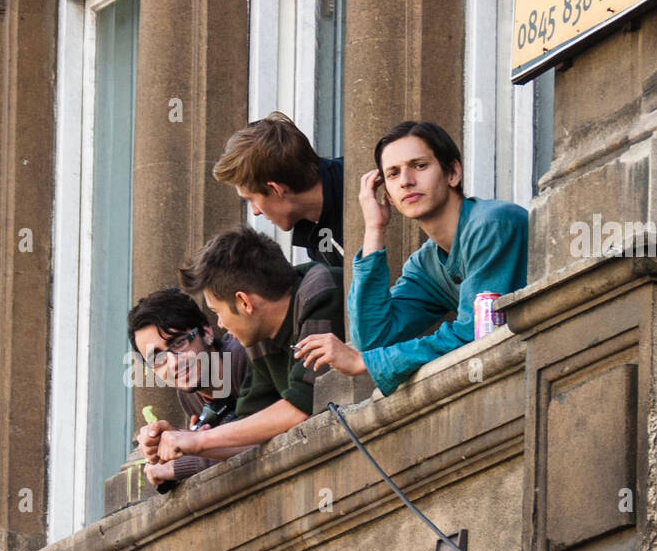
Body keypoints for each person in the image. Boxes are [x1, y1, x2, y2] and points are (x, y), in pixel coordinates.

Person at [294, 120, 528, 396]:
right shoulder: (426, 264)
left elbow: (476, 333)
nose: (406, 181)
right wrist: (373, 229)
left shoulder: (492, 224)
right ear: (389, 197)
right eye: (392, 174)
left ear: (453, 173)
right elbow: (374, 338)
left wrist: (363, 362)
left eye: (419, 166)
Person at [149, 226, 344, 465]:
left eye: (216, 311)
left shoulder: (320, 293)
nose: (220, 323)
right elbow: (251, 432)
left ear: (244, 302)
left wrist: (200, 441)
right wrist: (184, 444)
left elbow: (305, 404)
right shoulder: (259, 336)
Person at [128, 288, 274, 488]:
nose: (173, 363)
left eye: (178, 343)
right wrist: (167, 446)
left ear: (206, 332)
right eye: (158, 359)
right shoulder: (190, 396)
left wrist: (178, 463)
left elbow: (267, 434)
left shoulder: (246, 355)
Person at [213, 112, 345, 266]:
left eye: (252, 199)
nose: (255, 211)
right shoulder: (314, 230)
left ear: (276, 189)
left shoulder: (368, 188)